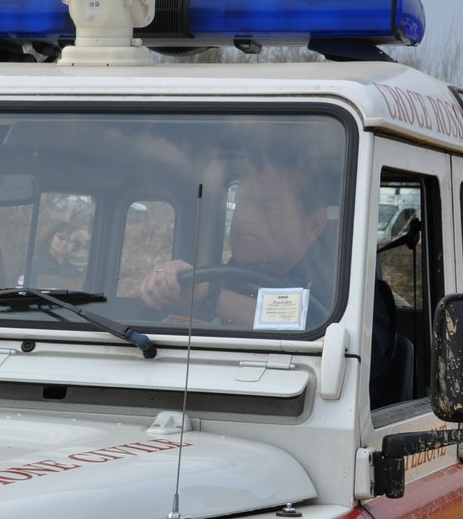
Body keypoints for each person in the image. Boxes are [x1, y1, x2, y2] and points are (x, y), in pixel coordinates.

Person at [129, 153, 398, 400]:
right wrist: (163, 284)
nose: (246, 217)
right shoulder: (208, 280)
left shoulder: (354, 297)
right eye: (241, 203)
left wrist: (211, 298)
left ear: (313, 224)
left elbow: (339, 349)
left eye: (267, 206)